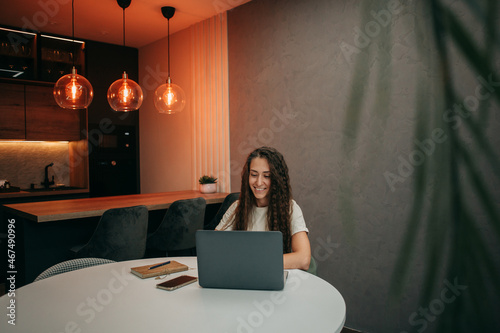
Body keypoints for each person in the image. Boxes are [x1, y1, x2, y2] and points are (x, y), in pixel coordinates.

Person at [216, 146, 311, 270]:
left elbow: (303, 259)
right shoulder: (236, 208)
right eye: (254, 175)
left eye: (267, 176)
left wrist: (252, 262)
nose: (259, 182)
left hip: (274, 280)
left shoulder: (290, 208)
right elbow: (214, 249)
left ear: (277, 179)